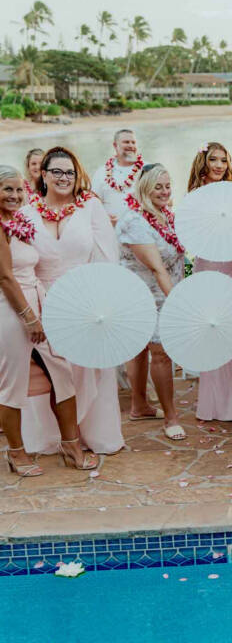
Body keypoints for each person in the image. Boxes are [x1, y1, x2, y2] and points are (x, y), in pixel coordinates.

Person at [19, 147, 123, 454]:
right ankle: (50, 437)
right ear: (44, 175)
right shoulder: (27, 212)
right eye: (57, 172)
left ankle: (97, 434)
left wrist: (103, 300)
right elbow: (21, 262)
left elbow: (107, 255)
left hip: (85, 298)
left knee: (91, 368)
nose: (64, 178)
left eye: (70, 172)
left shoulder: (90, 206)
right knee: (51, 372)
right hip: (42, 300)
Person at [0, 165, 97, 475]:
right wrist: (29, 319)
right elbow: (5, 277)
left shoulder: (17, 222)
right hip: (11, 310)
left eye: (18, 189)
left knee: (63, 372)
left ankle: (70, 444)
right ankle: (16, 453)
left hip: (38, 304)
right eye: (7, 189)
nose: (15, 195)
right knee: (11, 385)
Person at [188, 143, 232, 424]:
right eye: (213, 160)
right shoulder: (196, 197)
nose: (218, 165)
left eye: (223, 160)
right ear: (203, 162)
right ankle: (219, 404)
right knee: (216, 331)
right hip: (211, 264)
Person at [116, 164, 187, 439]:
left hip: (166, 288)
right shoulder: (134, 221)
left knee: (141, 349)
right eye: (158, 187)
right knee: (159, 351)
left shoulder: (166, 215)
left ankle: (139, 405)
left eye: (168, 186)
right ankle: (171, 418)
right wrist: (181, 303)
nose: (165, 191)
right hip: (146, 294)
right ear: (144, 188)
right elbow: (157, 268)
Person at [90, 129, 144, 223]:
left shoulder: (147, 170)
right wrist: (103, 217)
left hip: (141, 229)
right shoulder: (101, 172)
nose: (131, 146)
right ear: (115, 145)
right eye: (126, 142)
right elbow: (93, 203)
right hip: (111, 230)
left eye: (133, 142)